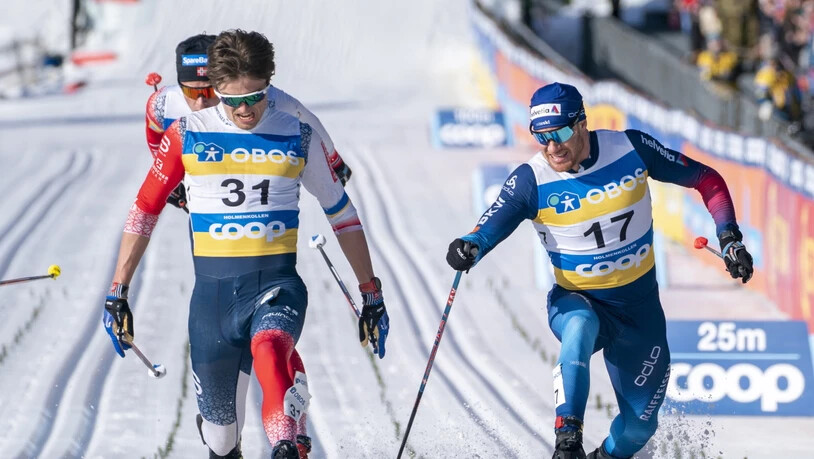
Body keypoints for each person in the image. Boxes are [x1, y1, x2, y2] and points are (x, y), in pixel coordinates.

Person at [103, 29, 390, 459]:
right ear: (215, 91)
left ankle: (287, 442)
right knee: (220, 442)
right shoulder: (185, 133)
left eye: (255, 97)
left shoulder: (296, 132)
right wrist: (117, 291)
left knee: (270, 349)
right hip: (212, 303)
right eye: (231, 100)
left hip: (276, 285)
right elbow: (144, 211)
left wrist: (371, 291)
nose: (244, 110)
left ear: (268, 84)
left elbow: (342, 215)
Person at [445, 82, 753, 459]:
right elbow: (491, 225)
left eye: (559, 134)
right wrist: (470, 245)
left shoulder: (630, 147)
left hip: (639, 310)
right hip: (576, 299)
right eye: (541, 137)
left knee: (640, 426)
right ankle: (567, 438)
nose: (552, 147)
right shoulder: (532, 178)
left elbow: (708, 180)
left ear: (581, 125)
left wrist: (730, 238)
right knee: (580, 326)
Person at [145, 34, 353, 212]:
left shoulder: (267, 98)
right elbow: (155, 135)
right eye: (191, 92)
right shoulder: (162, 103)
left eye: (209, 91)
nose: (201, 102)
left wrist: (334, 162)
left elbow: (308, 121)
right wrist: (171, 177)